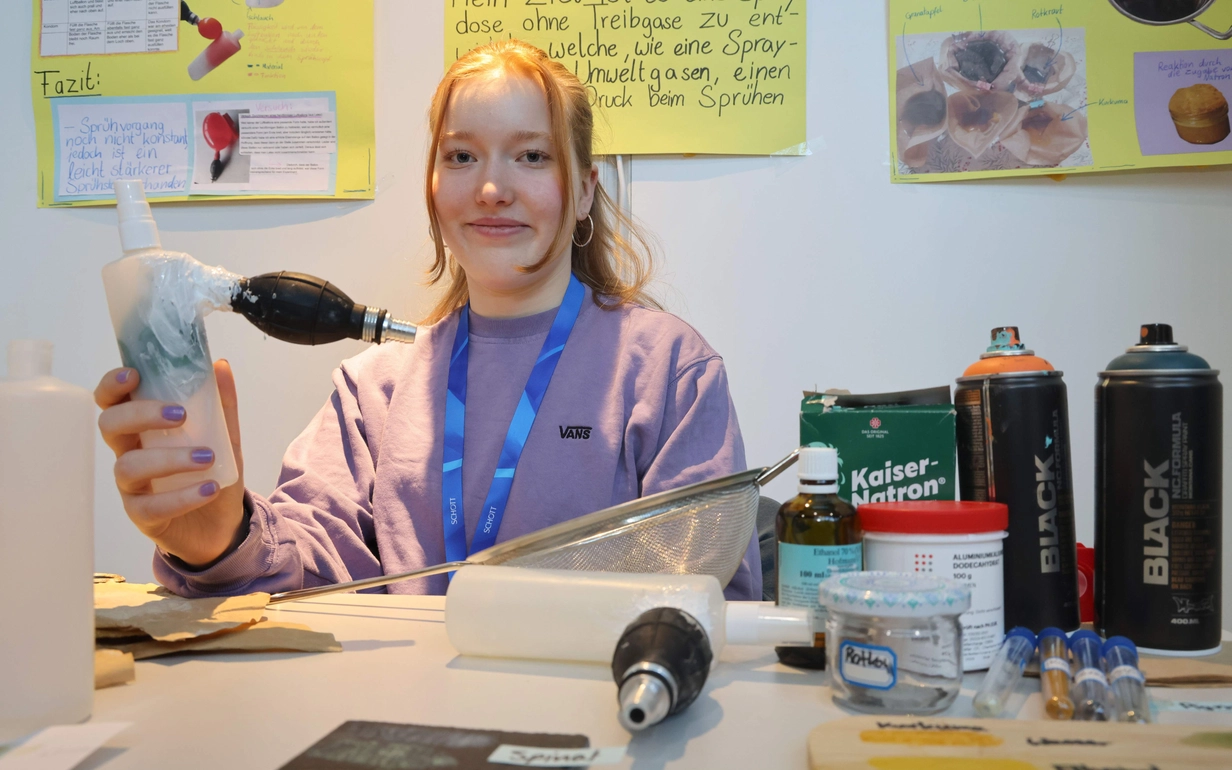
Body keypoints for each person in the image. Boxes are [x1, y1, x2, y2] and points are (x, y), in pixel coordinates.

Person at [94, 40, 760, 600]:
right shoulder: (373, 391)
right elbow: (302, 571)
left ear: (584, 188)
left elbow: (710, 599)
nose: (492, 187)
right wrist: (218, 536)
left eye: (532, 155)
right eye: (461, 156)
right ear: (433, 188)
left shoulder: (668, 370)